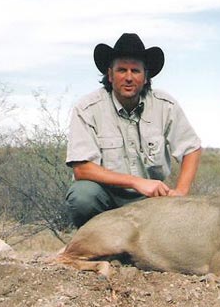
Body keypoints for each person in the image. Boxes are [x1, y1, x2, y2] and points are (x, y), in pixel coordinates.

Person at [65, 33, 202, 228]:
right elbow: (82, 169)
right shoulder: (87, 108)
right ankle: (91, 246)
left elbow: (192, 149)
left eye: (135, 71)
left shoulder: (166, 105)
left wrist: (180, 192)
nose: (129, 77)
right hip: (107, 199)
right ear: (110, 75)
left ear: (146, 77)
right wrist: (135, 182)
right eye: (122, 70)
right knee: (83, 196)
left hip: (151, 200)